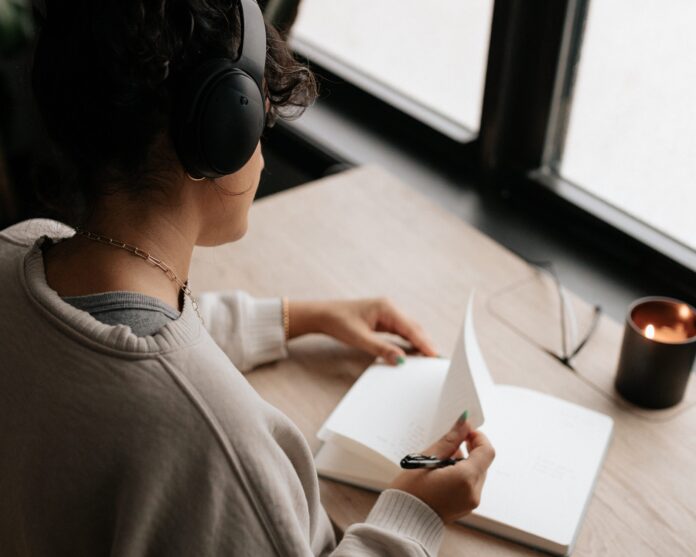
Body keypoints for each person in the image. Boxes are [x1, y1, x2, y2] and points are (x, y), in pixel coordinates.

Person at [0, 1, 495, 555]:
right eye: (258, 129)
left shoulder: (16, 249)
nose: (259, 155)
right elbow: (166, 380)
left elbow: (118, 338)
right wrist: (414, 514)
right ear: (218, 135)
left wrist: (294, 318)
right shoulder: (214, 447)